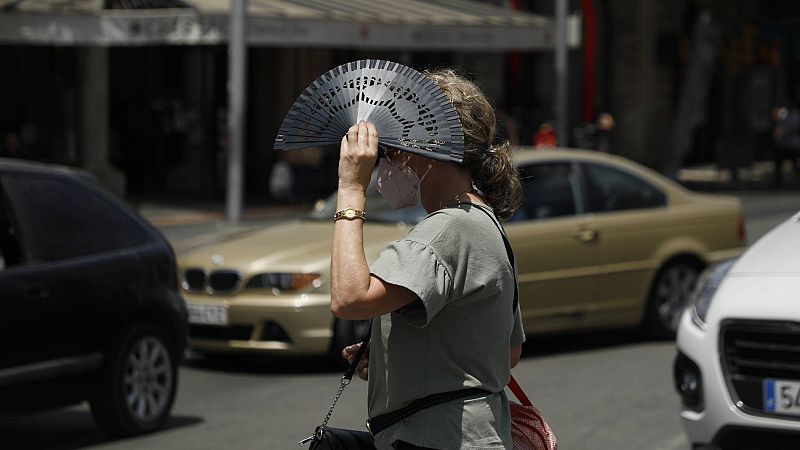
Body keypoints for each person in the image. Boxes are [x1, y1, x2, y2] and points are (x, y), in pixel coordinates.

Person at [330, 69, 526, 450]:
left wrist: (352, 188)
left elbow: (348, 297)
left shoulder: (448, 228)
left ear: (429, 149)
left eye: (394, 146)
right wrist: (402, 354)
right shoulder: (484, 222)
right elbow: (508, 352)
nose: (391, 160)